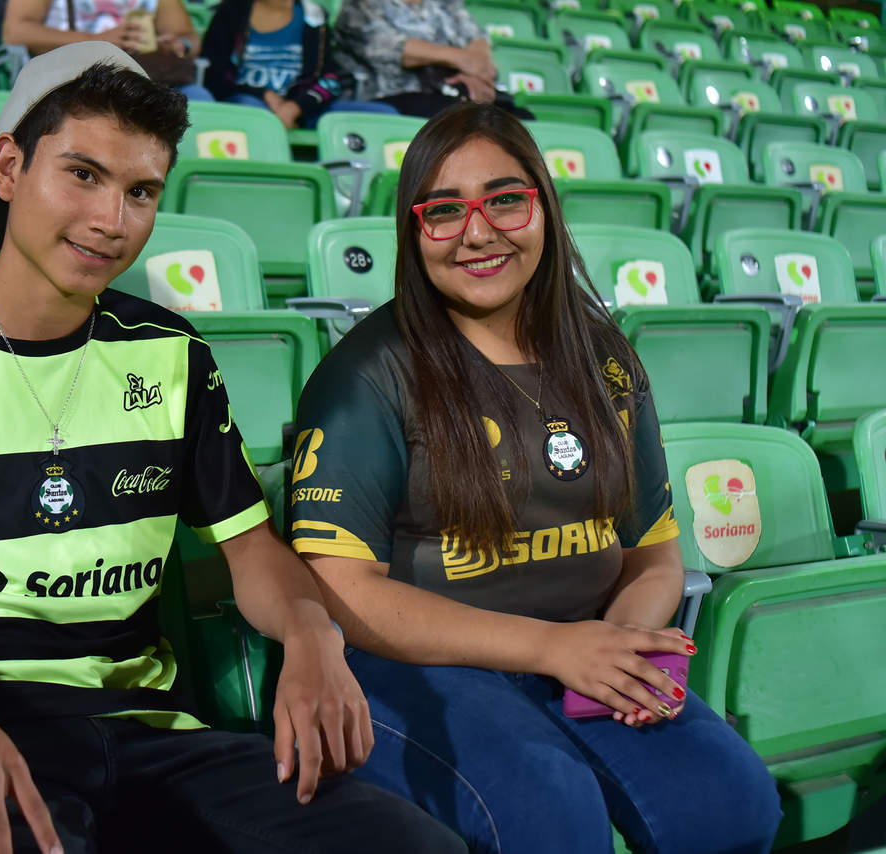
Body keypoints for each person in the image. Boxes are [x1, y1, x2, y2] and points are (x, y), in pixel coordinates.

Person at [0, 42, 468, 854]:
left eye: (141, 192)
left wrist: (312, 633)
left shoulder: (172, 353)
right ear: (8, 167)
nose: (112, 221)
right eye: (83, 175)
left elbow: (251, 551)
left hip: (154, 737)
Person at [286, 102, 782, 854]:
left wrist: (620, 645)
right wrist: (553, 649)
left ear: (544, 207)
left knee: (733, 805)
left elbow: (652, 554)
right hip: (416, 666)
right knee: (551, 819)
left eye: (505, 200)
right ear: (413, 233)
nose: (478, 232)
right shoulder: (365, 373)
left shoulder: (605, 357)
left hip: (582, 646)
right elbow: (342, 591)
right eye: (443, 211)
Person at [199, 0, 397, 129]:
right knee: (255, 112)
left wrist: (296, 107)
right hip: (245, 104)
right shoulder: (232, 11)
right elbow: (213, 78)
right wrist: (262, 95)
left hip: (303, 109)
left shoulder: (314, 16)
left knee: (385, 116)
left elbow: (330, 80)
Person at [3, 0, 215, 101]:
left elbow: (189, 38)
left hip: (142, 81)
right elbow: (16, 32)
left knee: (198, 98)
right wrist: (95, 41)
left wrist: (179, 45)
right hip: (68, 80)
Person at [332, 0, 502, 118]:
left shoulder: (445, 3)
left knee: (507, 115)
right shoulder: (360, 6)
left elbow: (477, 40)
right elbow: (395, 49)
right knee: (456, 116)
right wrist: (462, 60)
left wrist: (474, 75)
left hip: (445, 94)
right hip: (386, 99)